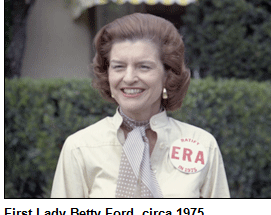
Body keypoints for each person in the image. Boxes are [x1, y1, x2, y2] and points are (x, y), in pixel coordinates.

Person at [51, 13, 230, 198]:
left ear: (167, 75)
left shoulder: (203, 145)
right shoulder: (80, 148)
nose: (128, 78)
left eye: (144, 66)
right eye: (118, 66)